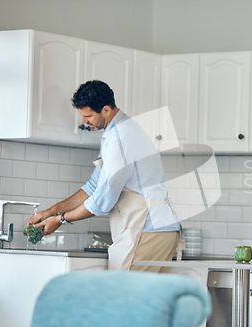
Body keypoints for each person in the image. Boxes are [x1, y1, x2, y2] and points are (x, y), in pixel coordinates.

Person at [27, 80, 181, 272]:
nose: (84, 121)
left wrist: (61, 220)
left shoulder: (120, 138)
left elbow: (102, 200)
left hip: (147, 230)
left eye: (88, 116)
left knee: (126, 298)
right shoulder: (117, 132)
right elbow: (93, 186)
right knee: (143, 300)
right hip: (155, 230)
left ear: (106, 110)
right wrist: (51, 212)